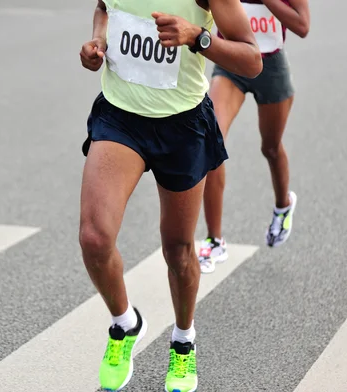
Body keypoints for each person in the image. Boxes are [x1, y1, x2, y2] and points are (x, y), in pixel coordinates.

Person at [78, 0, 262, 390]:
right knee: (94, 238)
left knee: (178, 250)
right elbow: (103, 8)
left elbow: (251, 59)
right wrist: (97, 41)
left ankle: (183, 341)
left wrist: (198, 37)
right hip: (120, 117)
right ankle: (125, 324)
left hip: (182, 126)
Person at [198, 0, 311, 274]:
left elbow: (302, 25)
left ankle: (283, 206)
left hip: (271, 66)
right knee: (212, 141)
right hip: (231, 64)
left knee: (271, 148)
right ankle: (215, 240)